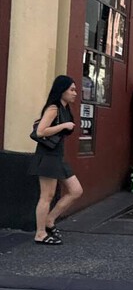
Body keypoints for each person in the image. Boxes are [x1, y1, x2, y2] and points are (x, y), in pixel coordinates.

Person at [29, 75, 84, 245]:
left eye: (75, 90)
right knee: (47, 196)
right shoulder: (53, 108)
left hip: (57, 156)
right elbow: (40, 132)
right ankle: (40, 233)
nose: (75, 93)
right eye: (72, 89)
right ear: (62, 90)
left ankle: (49, 220)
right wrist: (63, 126)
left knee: (76, 191)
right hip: (48, 156)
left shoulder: (65, 108)